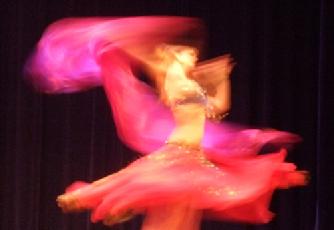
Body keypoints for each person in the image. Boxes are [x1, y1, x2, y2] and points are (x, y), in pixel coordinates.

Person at [25, 17, 308, 230]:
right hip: (177, 155)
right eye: (187, 53)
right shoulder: (173, 76)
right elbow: (159, 63)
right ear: (173, 56)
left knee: (184, 218)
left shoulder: (191, 83)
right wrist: (138, 46)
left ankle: (105, 200)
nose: (194, 55)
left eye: (192, 54)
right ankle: (95, 197)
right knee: (169, 215)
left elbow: (218, 108)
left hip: (195, 159)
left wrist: (222, 78)